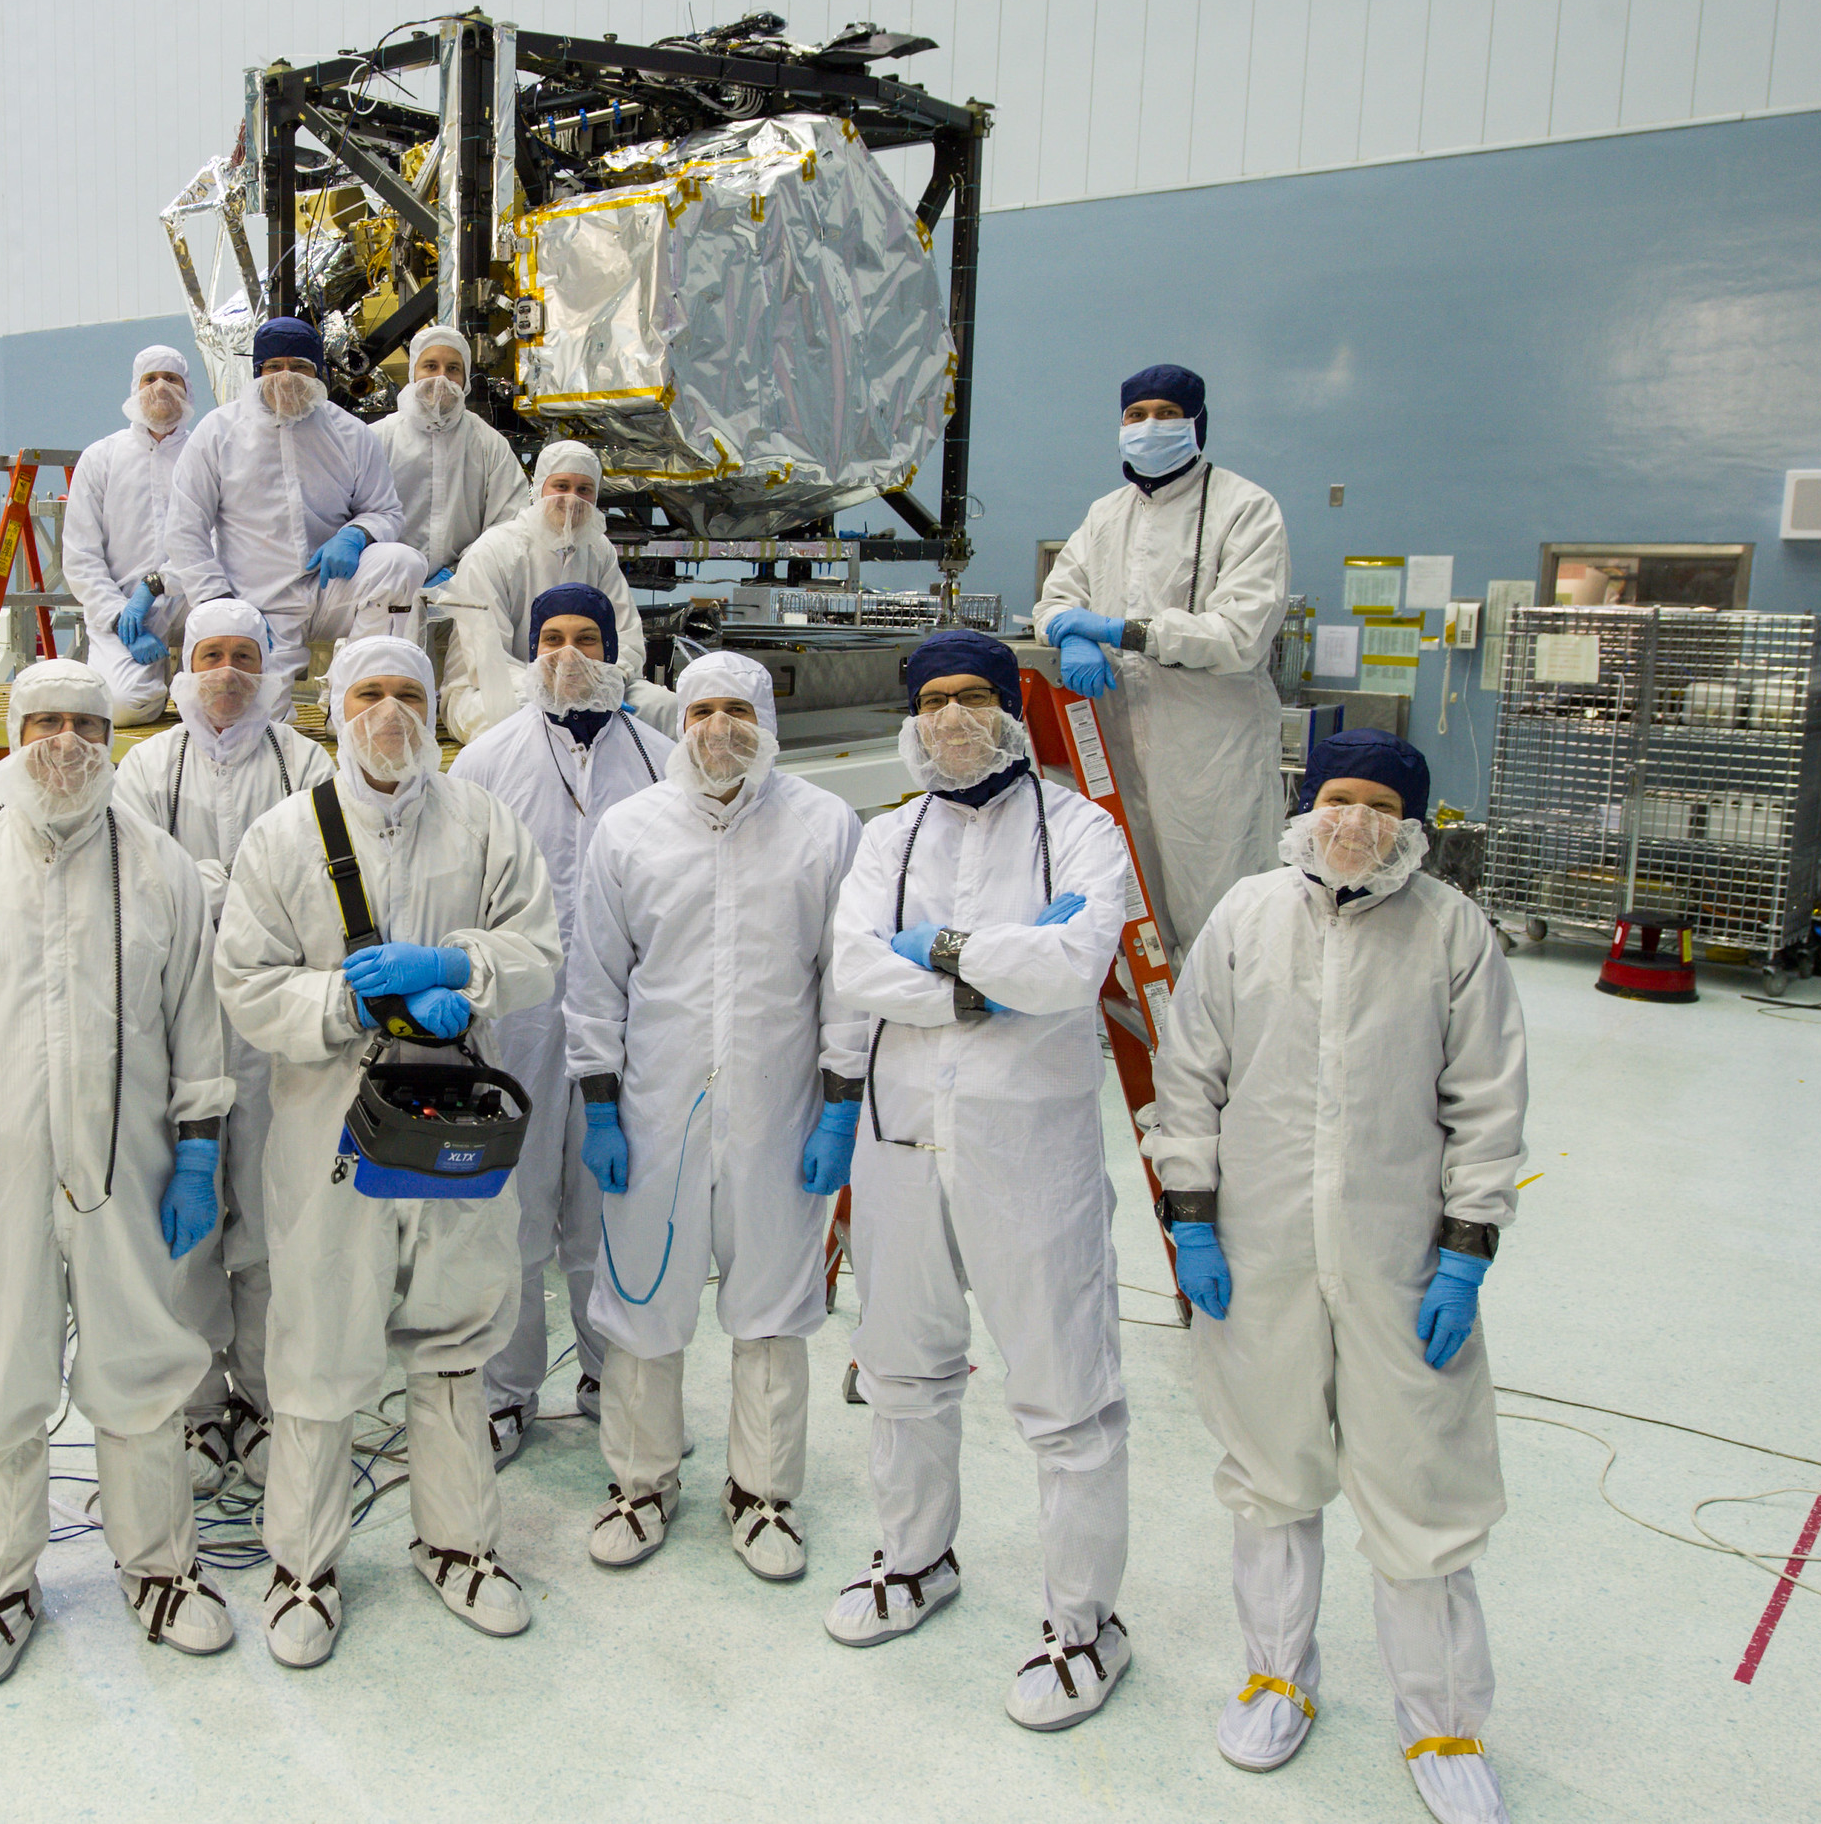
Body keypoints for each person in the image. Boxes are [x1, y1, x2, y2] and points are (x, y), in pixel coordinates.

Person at [1143, 731, 1526, 1824]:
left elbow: (1486, 1103)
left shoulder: (1451, 934)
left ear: (1410, 825)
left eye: (1373, 804)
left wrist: (1464, 1248)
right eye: (1331, 798)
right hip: (1255, 1251)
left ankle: (1443, 1721)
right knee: (1268, 1471)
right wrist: (1192, 1218)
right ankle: (1274, 1675)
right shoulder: (1245, 919)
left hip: (1398, 1256)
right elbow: (1189, 1074)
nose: (1348, 821)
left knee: (1420, 1490)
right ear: (1301, 806)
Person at [0, 659, 236, 1689]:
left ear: (111, 738)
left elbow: (199, 1033)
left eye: (83, 723)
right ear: (8, 734)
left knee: (145, 1374)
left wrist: (197, 1150)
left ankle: (159, 1565)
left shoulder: (160, 866)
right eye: (42, 722)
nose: (62, 742)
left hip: (132, 1175)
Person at [213, 637, 563, 1667]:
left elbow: (538, 949)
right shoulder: (280, 839)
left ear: (433, 709)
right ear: (334, 708)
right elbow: (246, 980)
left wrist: (462, 964)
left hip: (453, 1122)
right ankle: (303, 1567)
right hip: (331, 1132)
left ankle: (456, 1545)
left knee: (455, 1341)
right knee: (317, 1351)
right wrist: (343, 997)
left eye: (409, 692)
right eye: (368, 692)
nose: (390, 711)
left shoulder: (486, 824)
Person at [826, 629, 1138, 1732]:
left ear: (1010, 707)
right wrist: (987, 971)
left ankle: (1084, 1623)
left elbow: (1072, 968)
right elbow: (854, 964)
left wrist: (941, 947)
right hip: (900, 1143)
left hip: (1029, 1158)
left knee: (1065, 1398)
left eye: (972, 698)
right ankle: (914, 1560)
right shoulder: (888, 834)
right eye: (931, 702)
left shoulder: (1080, 828)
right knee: (903, 1374)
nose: (949, 719)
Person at [567, 651, 863, 1577]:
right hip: (653, 1108)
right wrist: (601, 1109)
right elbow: (594, 981)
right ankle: (641, 1480)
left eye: (738, 711)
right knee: (643, 1298)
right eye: (700, 712)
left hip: (781, 1112)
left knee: (773, 1305)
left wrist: (839, 1108)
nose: (717, 730)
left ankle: (763, 1494)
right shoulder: (629, 831)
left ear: (766, 720)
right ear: (678, 723)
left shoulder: (823, 826)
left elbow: (845, 982)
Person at [112, 598, 335, 1493]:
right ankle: (198, 1407)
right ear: (183, 666)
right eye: (210, 654)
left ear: (270, 665)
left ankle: (266, 1399)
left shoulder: (306, 759)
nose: (228, 671)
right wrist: (239, 890)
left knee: (276, 1221)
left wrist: (214, 892)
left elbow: (321, 876)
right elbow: (134, 882)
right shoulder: (146, 766)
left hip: (280, 1026)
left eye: (246, 654)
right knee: (186, 1226)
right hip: (177, 1020)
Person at [447, 584, 669, 1463]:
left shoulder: (661, 759)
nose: (567, 656)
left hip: (630, 1021)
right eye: (549, 639)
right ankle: (506, 1392)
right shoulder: (487, 760)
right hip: (519, 1023)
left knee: (610, 1213)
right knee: (513, 1213)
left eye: (585, 638)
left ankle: (607, 1376)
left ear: (615, 649)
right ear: (527, 652)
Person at [1033, 361, 1289, 951]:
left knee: (1222, 917)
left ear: (1197, 422)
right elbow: (1055, 601)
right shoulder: (1106, 514)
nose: (1150, 426)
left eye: (1167, 415)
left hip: (1210, 755)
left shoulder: (1245, 507)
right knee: (1132, 910)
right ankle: (1158, 1039)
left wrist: (1119, 630)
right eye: (1136, 415)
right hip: (1119, 745)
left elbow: (1238, 634)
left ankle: (1225, 1041)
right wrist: (1070, 634)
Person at [166, 316, 427, 718]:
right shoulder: (218, 433)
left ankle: (361, 696)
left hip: (330, 589)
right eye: (275, 367)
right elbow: (186, 529)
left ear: (319, 373)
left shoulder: (350, 433)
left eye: (300, 367)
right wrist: (221, 606)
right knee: (261, 726)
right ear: (256, 373)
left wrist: (356, 533)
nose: (287, 377)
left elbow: (385, 510)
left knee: (401, 563)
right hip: (257, 602)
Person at [435, 441, 656, 742]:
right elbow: (485, 657)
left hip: (590, 688)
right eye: (561, 486)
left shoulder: (598, 550)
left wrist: (605, 683)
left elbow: (625, 634)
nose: (572, 499)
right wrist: (554, 691)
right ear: (539, 489)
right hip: (495, 688)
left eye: (584, 490)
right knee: (519, 727)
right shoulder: (495, 549)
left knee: (660, 708)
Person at [62, 345, 201, 725]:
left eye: (171, 379)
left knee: (215, 704)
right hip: (125, 605)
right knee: (124, 706)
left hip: (195, 595)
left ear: (188, 389)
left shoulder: (206, 452)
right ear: (134, 390)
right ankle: (159, 686)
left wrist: (162, 583)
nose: (160, 387)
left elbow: (219, 540)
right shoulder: (101, 458)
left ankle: (190, 686)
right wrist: (118, 613)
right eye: (149, 379)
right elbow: (81, 556)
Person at [378, 324, 526, 577]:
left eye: (453, 368)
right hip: (387, 583)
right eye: (431, 366)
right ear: (413, 372)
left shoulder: (488, 444)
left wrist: (459, 571)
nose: (442, 377)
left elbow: (508, 522)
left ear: (466, 379)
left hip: (466, 584)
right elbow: (361, 514)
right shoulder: (378, 438)